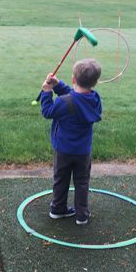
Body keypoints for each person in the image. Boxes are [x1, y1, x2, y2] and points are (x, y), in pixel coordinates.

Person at [40, 58, 102, 225]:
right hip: (83, 151)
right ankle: (82, 215)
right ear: (95, 82)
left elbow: (47, 112)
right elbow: (74, 98)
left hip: (63, 150)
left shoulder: (63, 102)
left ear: (74, 79)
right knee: (82, 182)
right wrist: (58, 85)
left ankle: (57, 209)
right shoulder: (95, 99)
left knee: (61, 179)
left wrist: (46, 92)